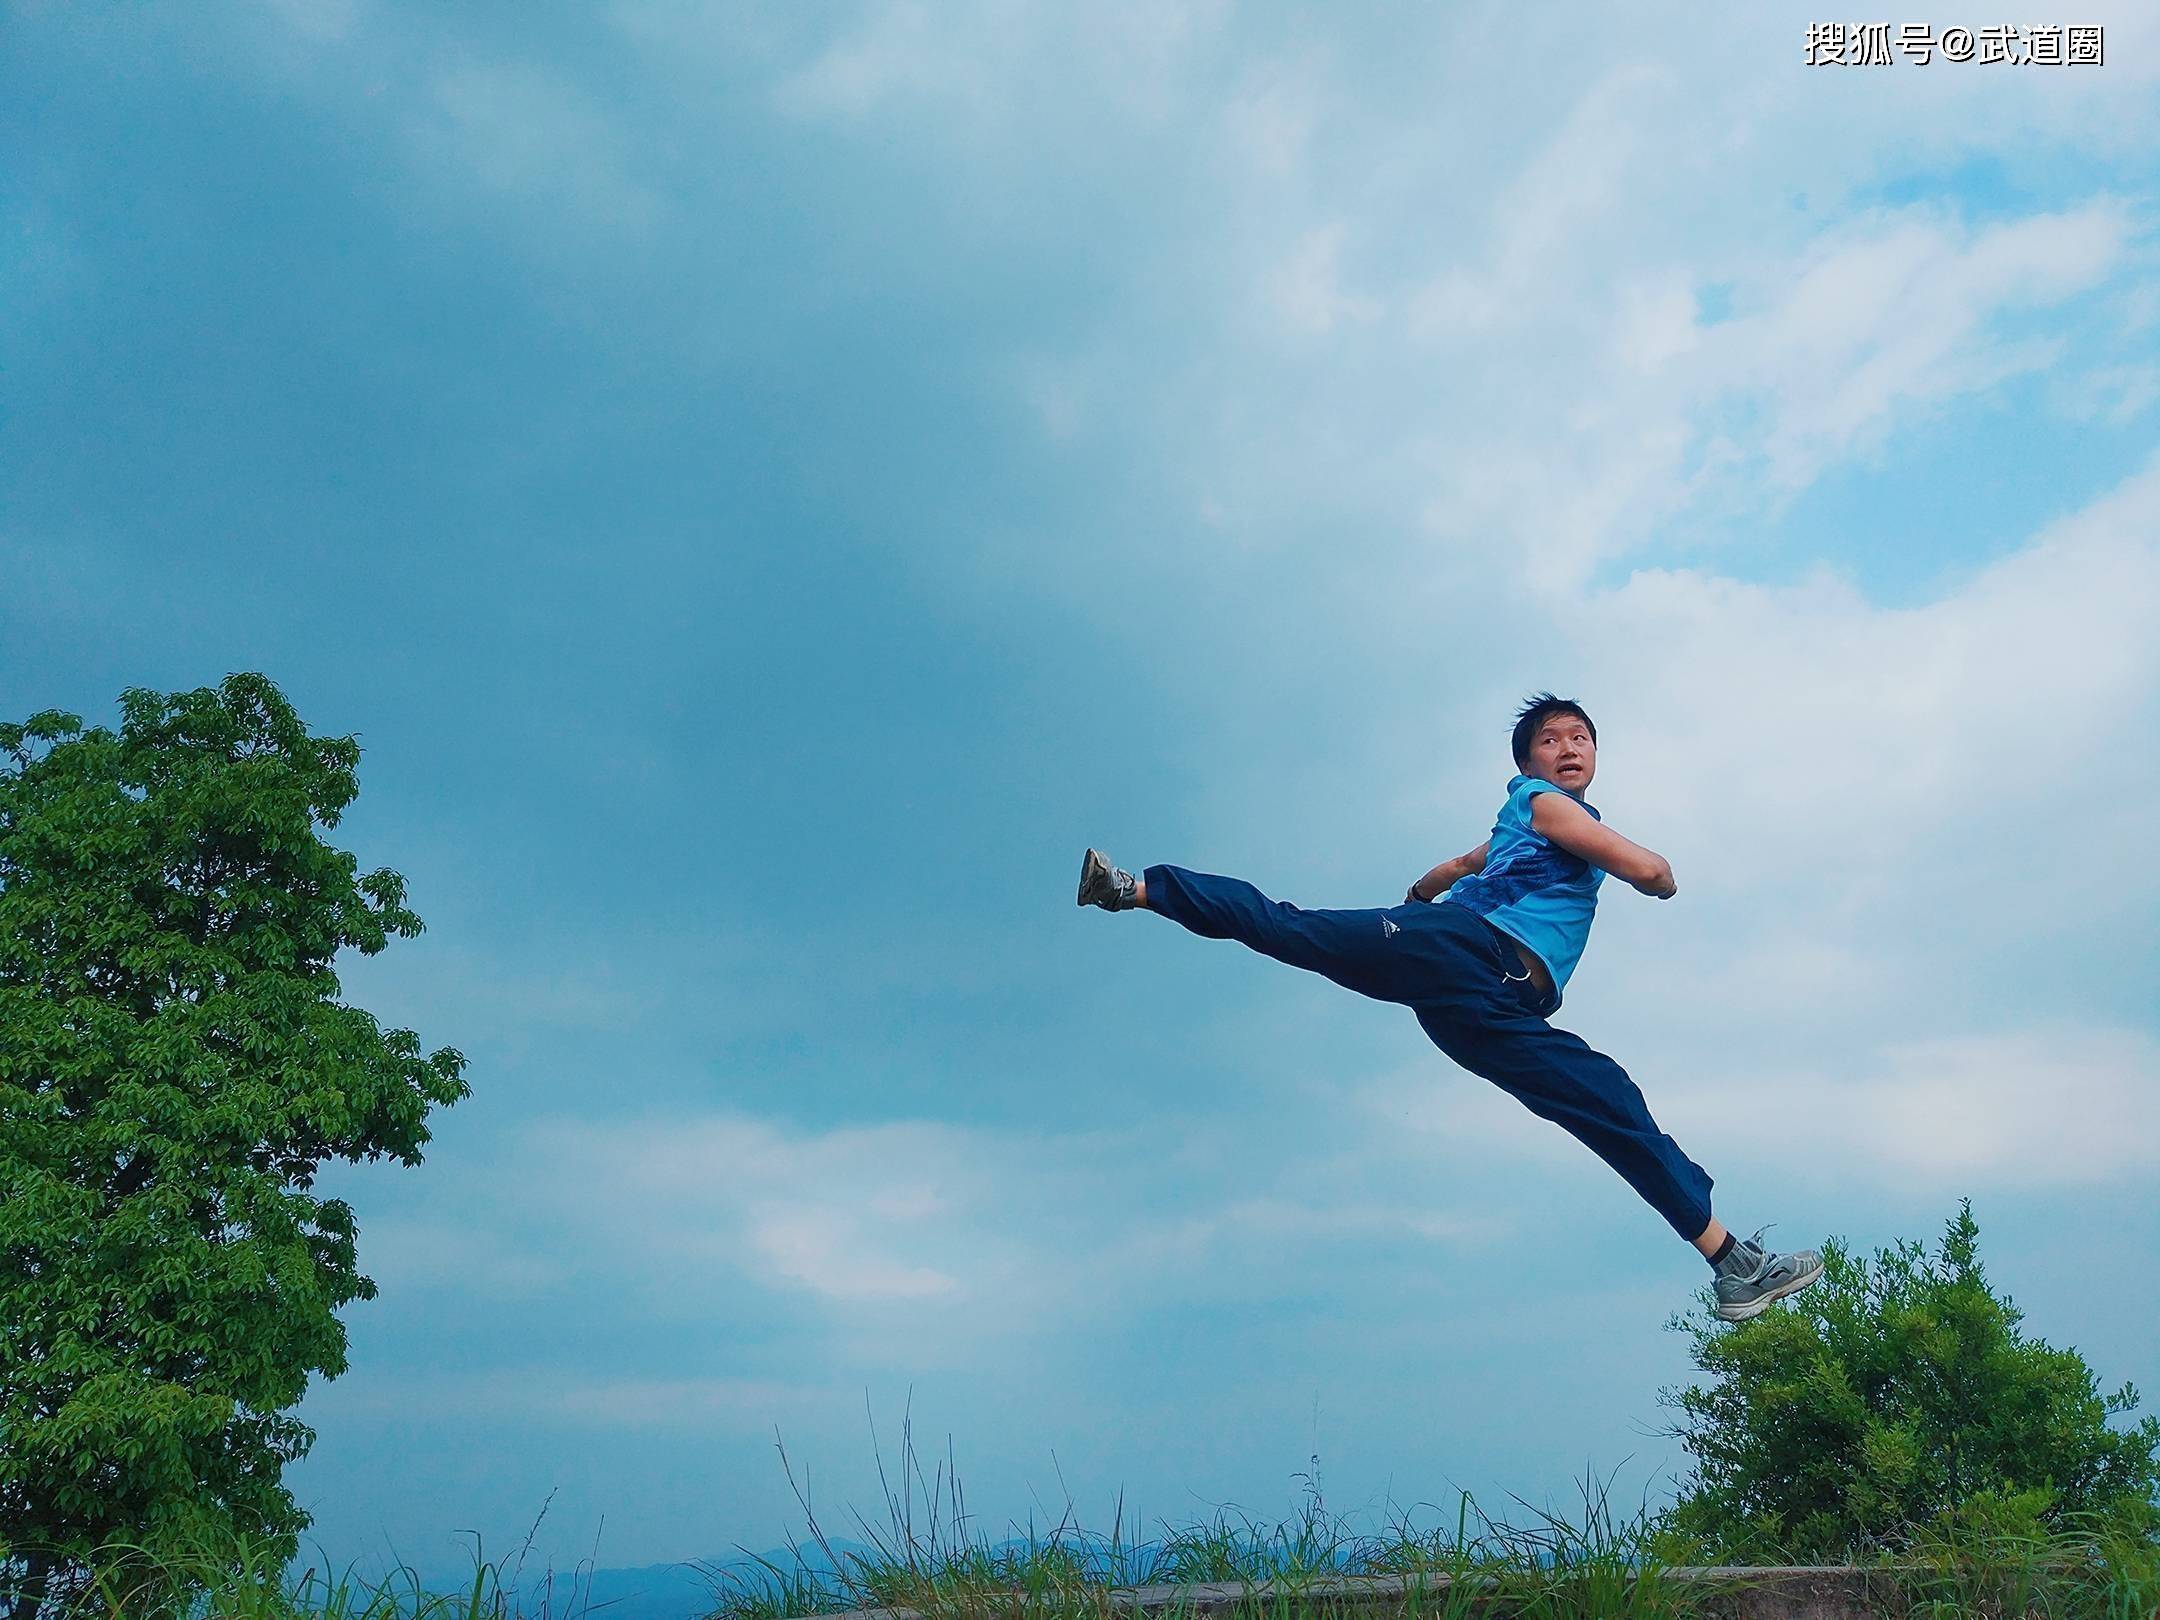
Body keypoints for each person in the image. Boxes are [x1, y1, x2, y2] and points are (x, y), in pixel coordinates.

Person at [1076, 692, 1822, 1322]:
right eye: (1549, 739)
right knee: (1295, 927)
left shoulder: (1517, 827)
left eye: (1580, 737)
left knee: (1608, 1102)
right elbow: (1645, 867)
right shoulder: (1548, 806)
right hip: (1471, 954)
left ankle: (1732, 1264)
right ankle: (1136, 888)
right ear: (1526, 764)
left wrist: (1420, 897)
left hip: (1490, 1008)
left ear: (1597, 752)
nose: (1567, 746)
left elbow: (1456, 866)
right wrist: (1660, 879)